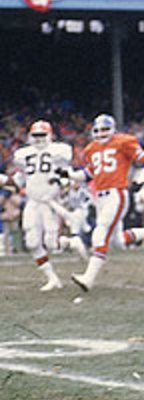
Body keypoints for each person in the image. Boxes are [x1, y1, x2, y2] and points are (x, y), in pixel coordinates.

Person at [72, 114, 144, 292]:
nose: (101, 133)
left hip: (117, 193)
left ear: (113, 129)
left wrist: (141, 177)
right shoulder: (91, 149)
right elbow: (89, 174)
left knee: (100, 231)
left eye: (105, 129)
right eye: (97, 130)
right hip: (100, 197)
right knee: (117, 242)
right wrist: (69, 174)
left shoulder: (123, 142)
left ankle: (88, 278)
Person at [9, 120, 78, 290]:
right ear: (30, 136)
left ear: (50, 135)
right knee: (32, 242)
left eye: (42, 135)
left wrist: (62, 183)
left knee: (52, 244)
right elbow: (18, 181)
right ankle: (52, 278)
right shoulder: (23, 155)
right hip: (33, 202)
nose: (39, 138)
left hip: (50, 202)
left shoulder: (59, 151)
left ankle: (71, 243)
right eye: (35, 135)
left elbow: (66, 175)